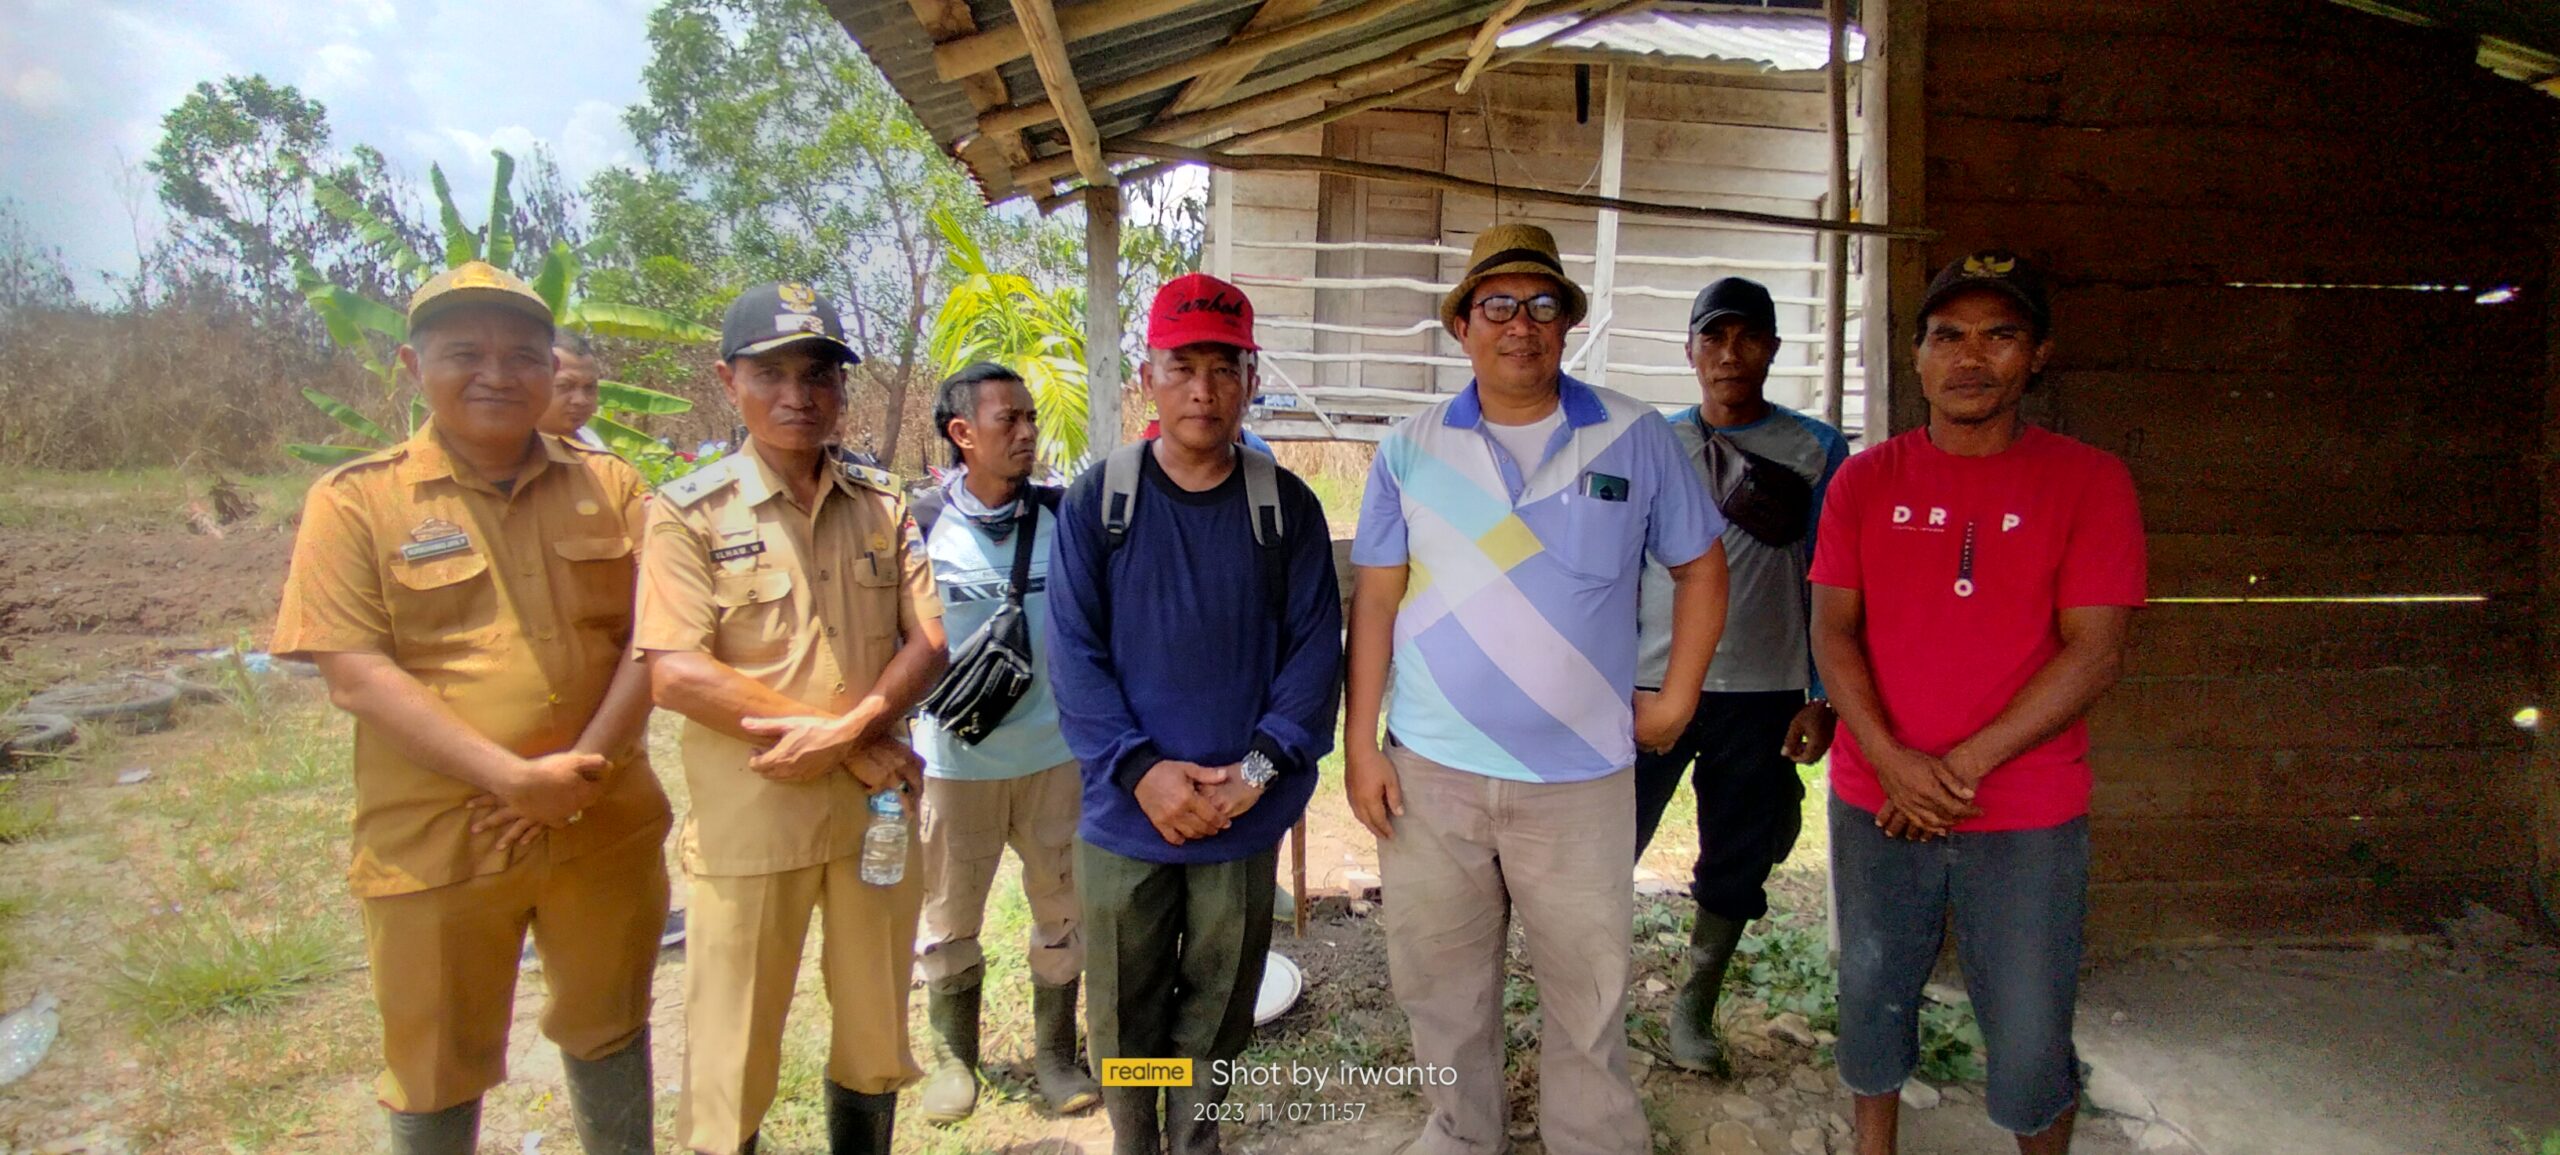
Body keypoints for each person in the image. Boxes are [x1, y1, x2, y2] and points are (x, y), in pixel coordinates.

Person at [272, 260, 672, 1155]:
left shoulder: (615, 489)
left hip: (601, 822)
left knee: (610, 1023)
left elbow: (659, 637)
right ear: (414, 369)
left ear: (549, 367)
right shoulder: (354, 502)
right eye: (466, 353)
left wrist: (576, 778)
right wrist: (512, 779)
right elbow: (355, 673)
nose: (498, 373)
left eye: (523, 355)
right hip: (444, 839)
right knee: (435, 1056)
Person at [1345, 224, 1728, 1155]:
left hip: (1583, 779)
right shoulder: (1409, 449)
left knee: (1589, 992)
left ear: (1568, 324)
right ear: (1464, 327)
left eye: (1544, 306)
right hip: (1433, 773)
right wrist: (1361, 746)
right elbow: (1379, 602)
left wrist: (1675, 700)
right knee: (1440, 988)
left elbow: (1703, 568)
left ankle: (1593, 1139)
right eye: (1499, 307)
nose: (1522, 326)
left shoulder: (1634, 436)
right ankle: (1460, 1132)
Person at [1808, 251, 2144, 1155]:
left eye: (2001, 335)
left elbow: (2096, 650)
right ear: (1916, 356)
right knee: (1872, 994)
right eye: (1948, 335)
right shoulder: (1865, 480)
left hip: (2026, 808)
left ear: (2036, 356)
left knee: (2032, 1027)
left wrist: (1952, 771)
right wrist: (1889, 758)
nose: (1971, 356)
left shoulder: (2090, 481)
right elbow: (1834, 631)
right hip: (1876, 795)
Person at [632, 282, 948, 1155]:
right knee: (731, 1048)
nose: (797, 394)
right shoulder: (686, 513)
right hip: (755, 820)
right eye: (770, 372)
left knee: (877, 1031)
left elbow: (928, 642)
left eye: (818, 373)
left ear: (843, 390)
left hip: (872, 818)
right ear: (729, 380)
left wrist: (850, 734)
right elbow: (678, 673)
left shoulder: (882, 503)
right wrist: (849, 740)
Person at [1047, 273, 1342, 1155]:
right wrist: (1143, 772)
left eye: (1225, 367)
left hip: (1240, 817)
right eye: (1183, 367)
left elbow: (1312, 656)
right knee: (1126, 1008)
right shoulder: (1100, 499)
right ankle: (1138, 1140)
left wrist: (1254, 774)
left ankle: (1197, 1140)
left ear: (1251, 377)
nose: (1203, 390)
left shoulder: (1285, 508)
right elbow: (1074, 654)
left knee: (1218, 1004)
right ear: (1149, 375)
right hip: (1124, 817)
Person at [1632, 276, 1850, 1072]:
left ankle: (1692, 1005)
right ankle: (1583, 999)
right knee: (1600, 839)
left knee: (1738, 851)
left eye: (1748, 337)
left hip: (1762, 691)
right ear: (1689, 351)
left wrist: (1823, 695)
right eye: (1714, 338)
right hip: (1650, 682)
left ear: (1773, 348)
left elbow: (1830, 577)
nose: (1731, 354)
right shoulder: (1651, 439)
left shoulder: (1817, 448)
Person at [907, 362, 1101, 1122]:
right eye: (1007, 420)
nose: (1027, 432)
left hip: (1054, 762)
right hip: (957, 767)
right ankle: (955, 1059)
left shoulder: (1062, 518)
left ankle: (1056, 1055)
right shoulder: (921, 527)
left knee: (1063, 910)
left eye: (1030, 418)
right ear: (962, 434)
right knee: (949, 912)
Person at [540, 329, 608, 449]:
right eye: (565, 386)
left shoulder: (594, 446)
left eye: (589, 387)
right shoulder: (504, 454)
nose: (581, 400)